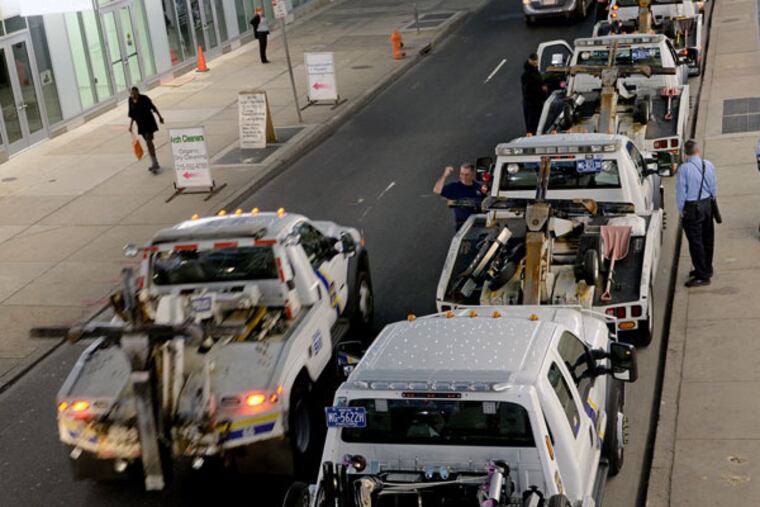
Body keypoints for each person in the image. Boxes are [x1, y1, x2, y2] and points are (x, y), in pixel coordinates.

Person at [676, 139, 717, 287]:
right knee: (708, 239)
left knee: (696, 242)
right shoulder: (708, 164)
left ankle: (702, 275)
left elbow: (681, 193)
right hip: (707, 205)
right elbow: (713, 187)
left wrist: (682, 211)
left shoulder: (684, 169)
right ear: (698, 151)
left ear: (686, 153)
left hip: (692, 208)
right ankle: (707, 267)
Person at [433, 164, 485, 230]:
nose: (464, 177)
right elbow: (437, 190)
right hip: (463, 226)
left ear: (472, 174)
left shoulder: (478, 187)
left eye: (467, 175)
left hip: (480, 224)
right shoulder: (455, 187)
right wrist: (444, 175)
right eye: (462, 174)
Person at [128, 86, 164, 173]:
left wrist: (160, 117)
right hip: (141, 125)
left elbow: (153, 108)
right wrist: (131, 125)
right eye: (132, 94)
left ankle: (154, 163)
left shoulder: (144, 99)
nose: (133, 96)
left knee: (148, 141)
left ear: (138, 92)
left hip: (149, 123)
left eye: (134, 94)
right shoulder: (130, 100)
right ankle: (154, 162)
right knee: (148, 143)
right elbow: (132, 114)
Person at [521, 53, 548, 135]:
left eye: (536, 60)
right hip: (532, 103)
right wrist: (542, 89)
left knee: (536, 122)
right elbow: (528, 90)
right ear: (529, 60)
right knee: (532, 124)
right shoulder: (526, 75)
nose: (535, 62)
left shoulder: (534, 70)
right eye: (533, 60)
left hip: (536, 102)